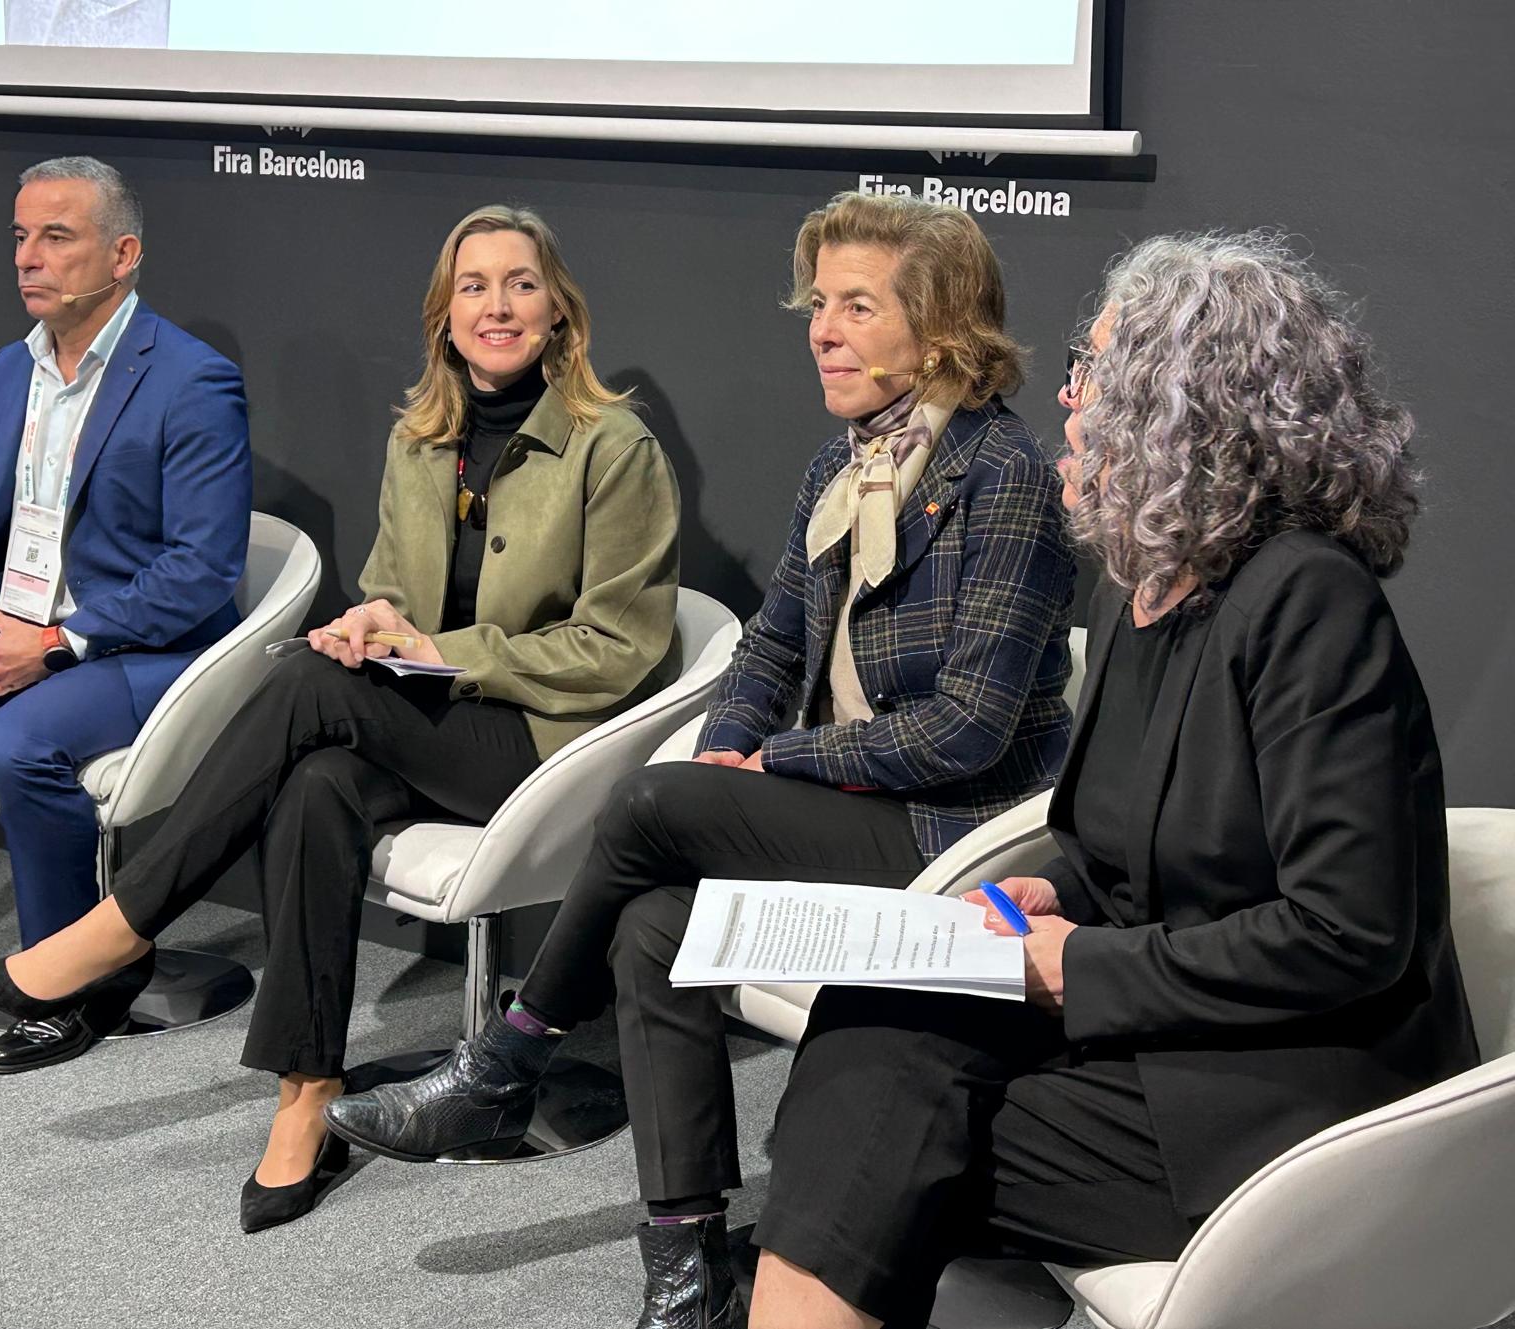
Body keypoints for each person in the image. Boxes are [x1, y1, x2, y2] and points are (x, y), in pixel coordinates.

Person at [326, 192, 1076, 1327]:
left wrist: (773, 766)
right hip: (853, 797)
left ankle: (505, 1061)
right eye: (818, 305)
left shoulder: (1001, 473)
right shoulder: (845, 461)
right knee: (651, 924)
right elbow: (769, 646)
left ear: (939, 329)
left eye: (855, 307)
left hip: (953, 829)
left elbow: (967, 729)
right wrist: (735, 747)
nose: (820, 329)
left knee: (646, 809)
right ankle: (684, 1270)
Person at [739, 230, 1483, 1329]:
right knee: (868, 1033)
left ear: (1181, 409)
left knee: (876, 1134)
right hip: (1162, 1029)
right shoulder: (1147, 585)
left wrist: (1077, 963)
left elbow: (1346, 934)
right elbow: (1119, 849)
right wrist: (1060, 898)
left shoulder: (1309, 601)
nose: (1070, 403)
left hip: (1293, 1091)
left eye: (1092, 375)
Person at [0, 203, 682, 1232]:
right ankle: (304, 1100)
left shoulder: (617, 445)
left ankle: (117, 928)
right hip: (426, 720)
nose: (497, 306)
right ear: (445, 313)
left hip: (544, 746)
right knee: (316, 781)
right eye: (473, 286)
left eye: (520, 284)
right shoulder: (423, 438)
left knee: (307, 687)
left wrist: (439, 654)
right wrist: (375, 623)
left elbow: (623, 648)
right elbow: (390, 591)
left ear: (559, 311)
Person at [0, 157, 251, 1064]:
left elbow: (203, 570)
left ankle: (67, 981)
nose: (29, 257)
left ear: (123, 253)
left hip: (138, 647)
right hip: (13, 626)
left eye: (56, 236)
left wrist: (57, 642)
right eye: (20, 236)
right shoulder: (5, 371)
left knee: (18, 744)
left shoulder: (192, 379)